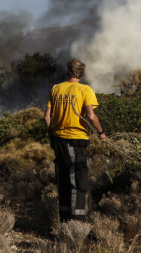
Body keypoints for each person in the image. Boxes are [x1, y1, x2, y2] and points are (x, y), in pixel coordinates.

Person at [44, 58, 106, 222]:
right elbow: (91, 116)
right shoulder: (85, 89)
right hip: (76, 141)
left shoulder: (56, 88)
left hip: (59, 141)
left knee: (63, 181)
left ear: (67, 72)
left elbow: (46, 117)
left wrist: (51, 137)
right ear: (82, 73)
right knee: (79, 182)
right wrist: (101, 132)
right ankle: (78, 224)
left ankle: (64, 221)